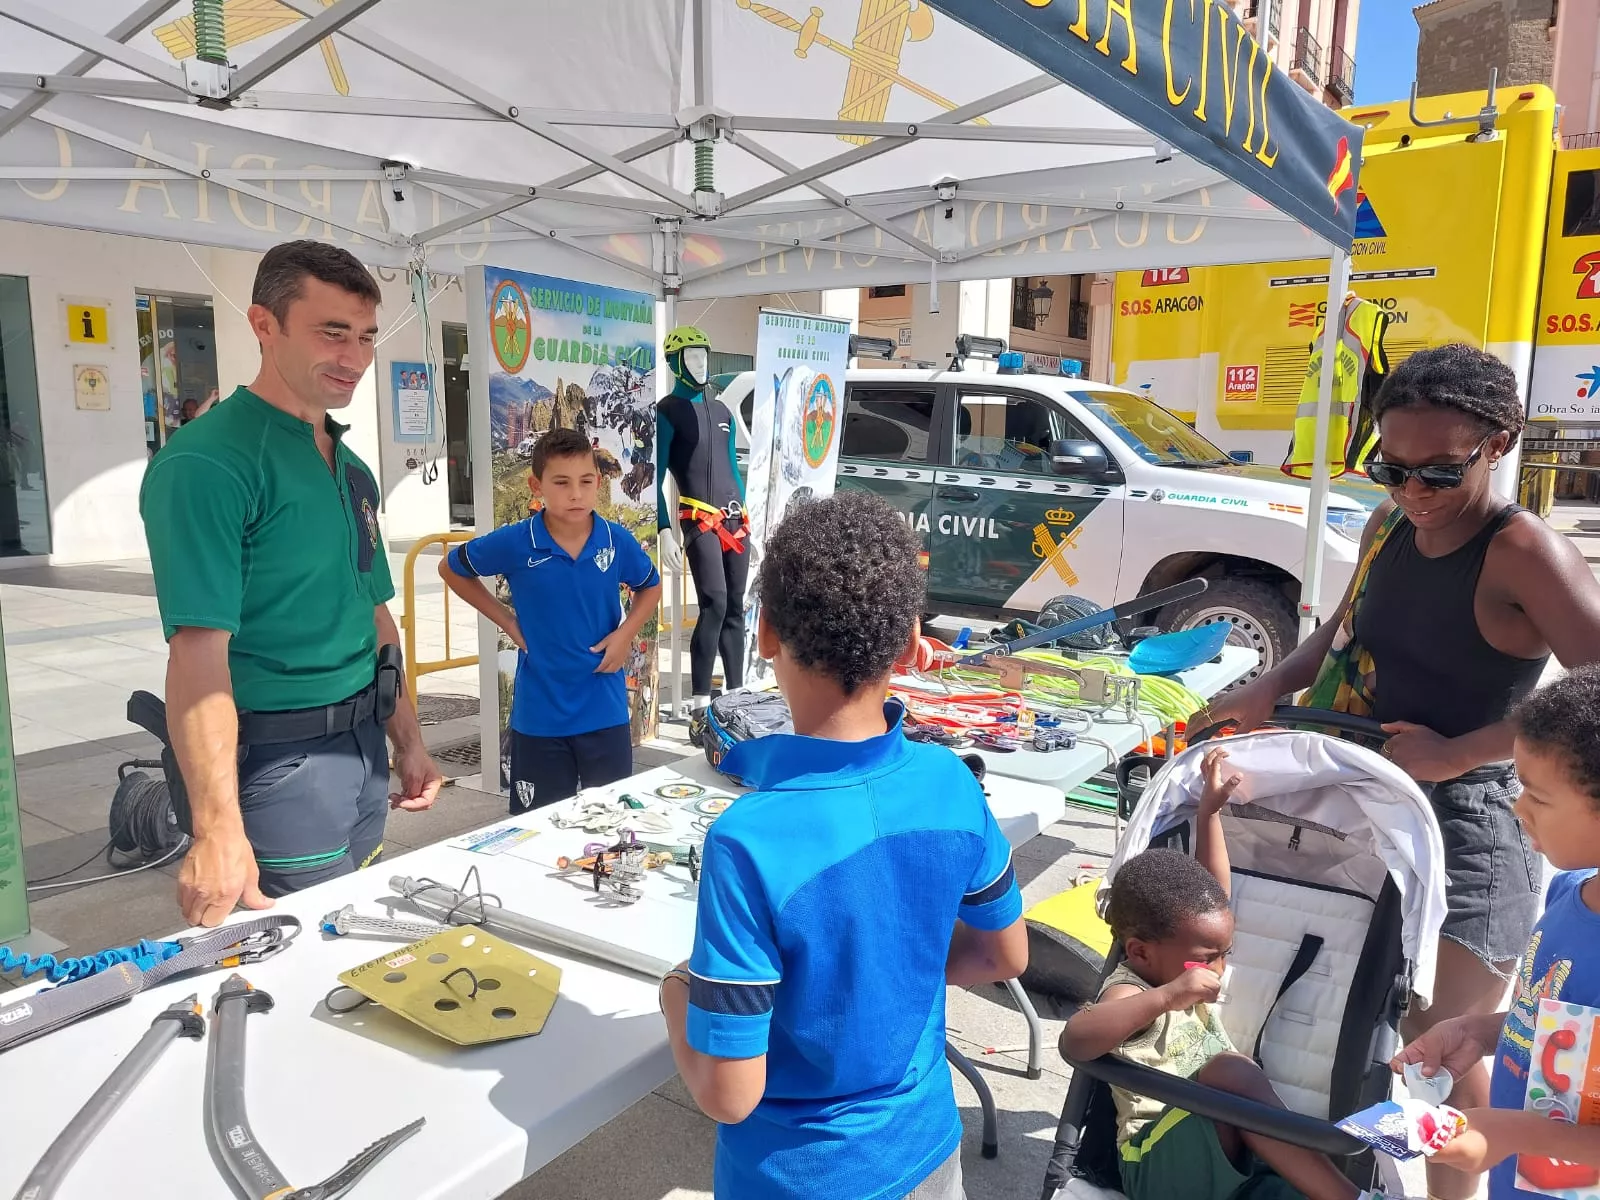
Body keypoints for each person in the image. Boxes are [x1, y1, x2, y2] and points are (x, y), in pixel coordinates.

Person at [1200, 343, 1600, 1199]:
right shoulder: (1390, 524)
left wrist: (1458, 752)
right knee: (1381, 1030)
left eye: (1439, 472)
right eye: (1392, 468)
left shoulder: (1524, 551)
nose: (1413, 492)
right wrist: (1267, 687)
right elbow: (1342, 635)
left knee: (1445, 1045)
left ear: (1499, 445)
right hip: (1372, 800)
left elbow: (1598, 690)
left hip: (1478, 821)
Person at [657, 490, 1028, 1200]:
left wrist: (677, 994)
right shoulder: (953, 783)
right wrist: (891, 972)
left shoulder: (748, 841)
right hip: (925, 1150)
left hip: (801, 1176)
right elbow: (1003, 953)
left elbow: (729, 1094)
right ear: (910, 636)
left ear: (764, 632)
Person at [140, 239, 442, 928]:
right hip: (280, 765)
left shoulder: (352, 467)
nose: (356, 359)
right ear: (263, 325)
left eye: (366, 337)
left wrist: (409, 742)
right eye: (332, 333)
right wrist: (218, 827)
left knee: (352, 930)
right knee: (289, 964)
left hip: (362, 756)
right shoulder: (209, 464)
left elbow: (375, 616)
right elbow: (195, 656)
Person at [1061, 749, 1383, 1200]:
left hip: (1227, 1159)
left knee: (1285, 1186)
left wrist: (1209, 813)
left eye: (1224, 954)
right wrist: (1169, 996)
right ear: (1140, 952)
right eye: (1207, 957)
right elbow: (1075, 1039)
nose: (1218, 967)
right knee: (1232, 1073)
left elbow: (1218, 896)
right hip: (1161, 1163)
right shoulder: (1130, 989)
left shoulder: (1184, 953)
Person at [1391, 666, 1600, 1194]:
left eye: (1538, 797)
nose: (1517, 807)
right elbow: (1568, 1025)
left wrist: (1508, 1132)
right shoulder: (1569, 891)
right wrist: (1479, 1031)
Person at [438, 426, 661, 814]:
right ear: (536, 485)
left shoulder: (615, 540)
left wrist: (626, 634)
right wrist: (507, 621)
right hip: (540, 717)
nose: (576, 493)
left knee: (614, 827)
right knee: (537, 828)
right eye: (561, 482)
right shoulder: (515, 541)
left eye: (586, 481)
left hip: (604, 712)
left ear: (599, 482)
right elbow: (451, 568)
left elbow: (651, 587)